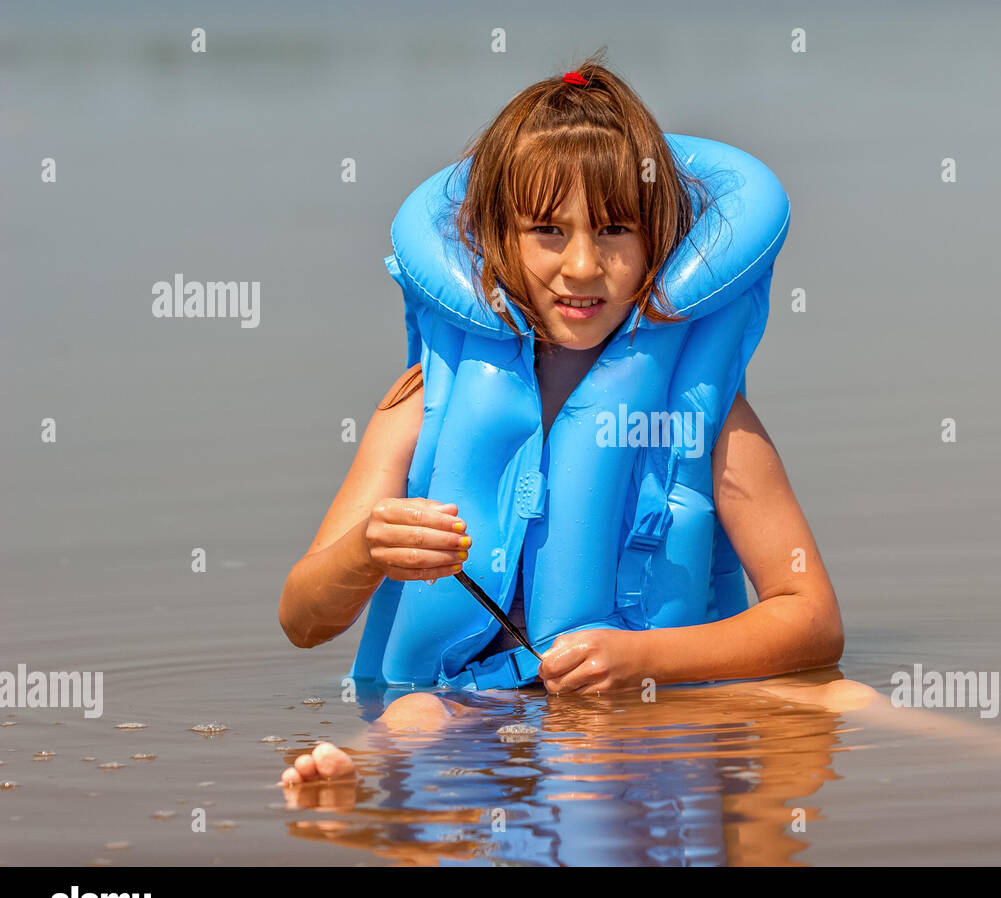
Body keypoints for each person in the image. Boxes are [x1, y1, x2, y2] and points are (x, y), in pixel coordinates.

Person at [277, 52, 846, 782]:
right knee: (414, 716)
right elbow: (303, 620)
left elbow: (812, 620)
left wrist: (643, 657)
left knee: (847, 699)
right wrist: (364, 552)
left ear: (659, 245)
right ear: (494, 238)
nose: (582, 266)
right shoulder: (426, 404)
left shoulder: (705, 417)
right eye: (548, 230)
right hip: (461, 707)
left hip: (640, 705)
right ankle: (344, 781)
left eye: (614, 230)